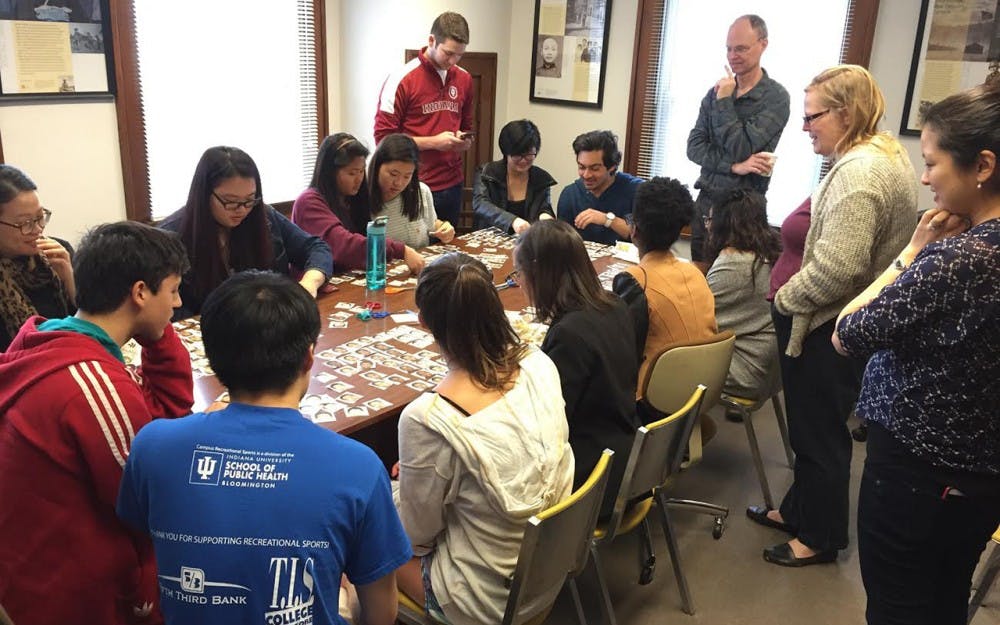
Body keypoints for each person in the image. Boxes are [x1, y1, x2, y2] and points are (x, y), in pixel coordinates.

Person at [117, 271, 411, 625]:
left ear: (211, 360)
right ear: (308, 358)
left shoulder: (152, 446)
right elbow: (381, 615)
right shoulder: (358, 466)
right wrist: (343, 602)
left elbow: (143, 543)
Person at [833, 83, 1000, 625]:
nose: (925, 178)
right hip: (981, 475)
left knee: (897, 606)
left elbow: (847, 332)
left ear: (982, 165)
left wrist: (912, 250)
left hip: (918, 476)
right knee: (945, 598)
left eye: (932, 163)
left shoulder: (958, 260)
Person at [746, 65, 917, 567]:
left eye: (812, 116)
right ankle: (799, 510)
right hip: (827, 324)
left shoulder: (861, 173)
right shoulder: (873, 154)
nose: (804, 127)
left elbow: (841, 268)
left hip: (824, 328)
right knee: (809, 428)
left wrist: (785, 298)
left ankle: (818, 538)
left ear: (846, 113)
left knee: (819, 435)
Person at [0, 221, 194, 625]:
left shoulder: (45, 340)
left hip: (28, 572)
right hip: (68, 595)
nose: (176, 305)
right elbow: (151, 507)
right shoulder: (93, 382)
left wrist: (157, 336)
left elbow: (158, 418)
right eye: (173, 291)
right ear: (140, 292)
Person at [394, 252, 574, 625]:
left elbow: (414, 538)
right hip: (548, 565)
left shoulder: (429, 419)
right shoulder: (539, 362)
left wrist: (399, 490)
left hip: (480, 597)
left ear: (424, 323)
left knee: (359, 538)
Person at [515, 219, 637, 517]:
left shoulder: (569, 335)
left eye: (519, 274)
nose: (519, 283)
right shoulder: (613, 304)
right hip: (626, 452)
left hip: (593, 476)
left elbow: (548, 424)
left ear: (539, 274)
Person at [160, 146, 331, 320]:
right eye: (230, 201)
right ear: (204, 195)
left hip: (268, 325)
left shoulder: (264, 216)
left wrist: (310, 282)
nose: (241, 210)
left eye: (249, 200)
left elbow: (315, 247)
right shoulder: (170, 236)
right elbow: (164, 309)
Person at [687, 14, 790, 272]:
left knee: (731, 286)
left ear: (763, 44)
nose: (733, 56)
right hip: (706, 202)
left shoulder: (775, 97)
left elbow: (742, 147)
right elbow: (694, 146)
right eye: (729, 49)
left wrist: (724, 102)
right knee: (699, 282)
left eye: (741, 48)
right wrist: (734, 167)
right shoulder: (716, 92)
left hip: (743, 211)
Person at [374, 12, 473, 227]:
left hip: (452, 183)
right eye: (448, 53)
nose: (453, 61)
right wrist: (433, 142)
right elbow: (383, 140)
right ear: (431, 41)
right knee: (416, 252)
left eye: (459, 55)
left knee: (448, 252)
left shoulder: (464, 78)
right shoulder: (402, 79)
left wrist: (463, 140)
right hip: (413, 184)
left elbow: (466, 124)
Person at [621, 177, 716, 387]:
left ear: (634, 230)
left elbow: (621, 347)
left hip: (653, 398)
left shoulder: (636, 281)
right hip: (700, 389)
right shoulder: (695, 273)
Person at [293, 133, 425, 274]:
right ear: (330, 172)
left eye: (361, 171)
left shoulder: (351, 199)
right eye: (352, 173)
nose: (359, 179)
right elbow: (344, 246)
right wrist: (401, 250)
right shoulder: (308, 202)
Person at [705, 189, 782, 400]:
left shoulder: (733, 264)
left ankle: (671, 427)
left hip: (744, 373)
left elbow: (698, 319)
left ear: (723, 224)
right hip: (769, 370)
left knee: (657, 352)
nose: (707, 226)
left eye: (709, 219)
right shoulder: (767, 254)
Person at [0, 164, 75, 351]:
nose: (38, 230)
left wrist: (70, 279)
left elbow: (93, 325)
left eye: (40, 217)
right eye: (25, 223)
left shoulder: (58, 253)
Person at [369, 133, 455, 250]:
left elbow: (432, 224)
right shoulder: (360, 196)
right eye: (393, 174)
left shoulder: (421, 191)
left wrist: (444, 228)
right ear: (377, 166)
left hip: (419, 265)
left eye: (407, 176)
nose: (399, 183)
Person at [557, 130, 642, 245]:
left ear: (612, 166)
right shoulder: (570, 194)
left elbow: (639, 235)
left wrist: (608, 220)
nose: (586, 175)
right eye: (582, 167)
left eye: (595, 168)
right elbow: (561, 241)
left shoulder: (634, 191)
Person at [473, 119, 557, 234]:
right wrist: (512, 221)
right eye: (517, 155)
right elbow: (480, 204)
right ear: (506, 152)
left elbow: (544, 207)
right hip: (489, 239)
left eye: (529, 155)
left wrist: (545, 216)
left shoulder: (542, 179)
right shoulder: (487, 173)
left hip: (527, 244)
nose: (523, 161)